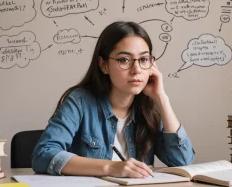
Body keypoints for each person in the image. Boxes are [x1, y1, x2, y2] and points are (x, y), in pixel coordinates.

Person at [32, 21, 195, 178]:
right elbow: (43, 154)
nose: (136, 69)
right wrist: (110, 167)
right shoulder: (80, 102)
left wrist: (162, 98)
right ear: (103, 65)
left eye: (144, 59)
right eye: (124, 59)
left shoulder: (149, 107)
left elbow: (182, 162)